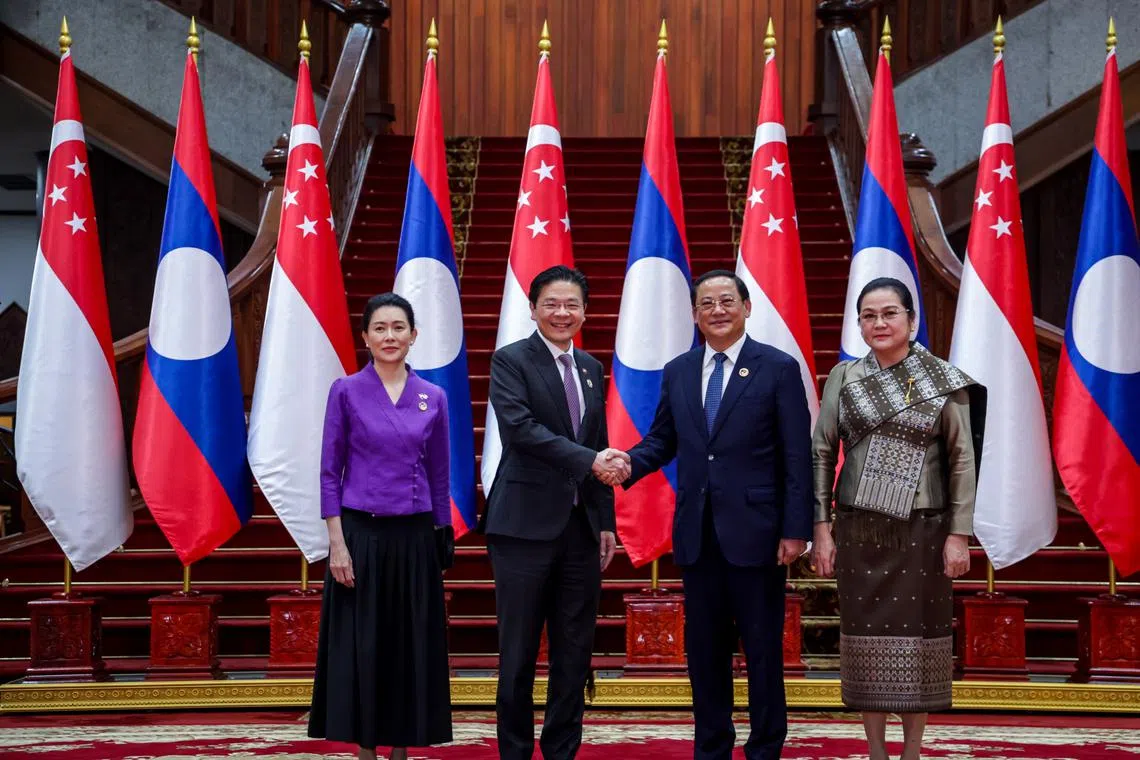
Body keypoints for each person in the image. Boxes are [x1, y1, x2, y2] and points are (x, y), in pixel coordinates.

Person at [620, 270, 813, 760]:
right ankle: (712, 747)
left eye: (728, 300)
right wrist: (627, 464)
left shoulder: (777, 368)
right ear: (694, 314)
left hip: (758, 534)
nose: (717, 310)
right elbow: (663, 439)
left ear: (747, 307)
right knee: (704, 654)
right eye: (706, 303)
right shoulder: (679, 370)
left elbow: (796, 454)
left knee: (763, 651)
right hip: (698, 534)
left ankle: (766, 746)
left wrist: (796, 529)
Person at [810, 277, 985, 760]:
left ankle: (911, 750)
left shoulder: (941, 380)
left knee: (918, 638)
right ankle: (875, 751)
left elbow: (962, 461)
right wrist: (821, 527)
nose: (879, 323)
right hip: (859, 530)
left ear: (911, 321)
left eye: (890, 313)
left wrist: (959, 534)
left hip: (922, 530)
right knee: (864, 640)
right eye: (869, 315)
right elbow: (822, 453)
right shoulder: (843, 379)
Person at [483, 265, 627, 760]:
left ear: (584, 312)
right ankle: (516, 752)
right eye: (552, 304)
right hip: (522, 527)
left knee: (574, 652)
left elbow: (599, 442)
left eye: (571, 305)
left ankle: (562, 750)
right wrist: (590, 461)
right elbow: (520, 430)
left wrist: (605, 519)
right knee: (519, 653)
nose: (562, 313)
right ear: (533, 308)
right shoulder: (511, 361)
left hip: (580, 529)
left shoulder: (589, 366)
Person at [308, 292, 453, 760]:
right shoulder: (346, 390)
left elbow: (439, 473)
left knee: (408, 643)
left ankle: (402, 747)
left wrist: (441, 533)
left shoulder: (434, 396)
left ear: (414, 336)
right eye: (380, 328)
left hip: (414, 537)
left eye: (399, 328)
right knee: (365, 644)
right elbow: (330, 471)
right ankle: (366, 746)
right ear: (365, 337)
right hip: (360, 536)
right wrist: (337, 544)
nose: (390, 337)